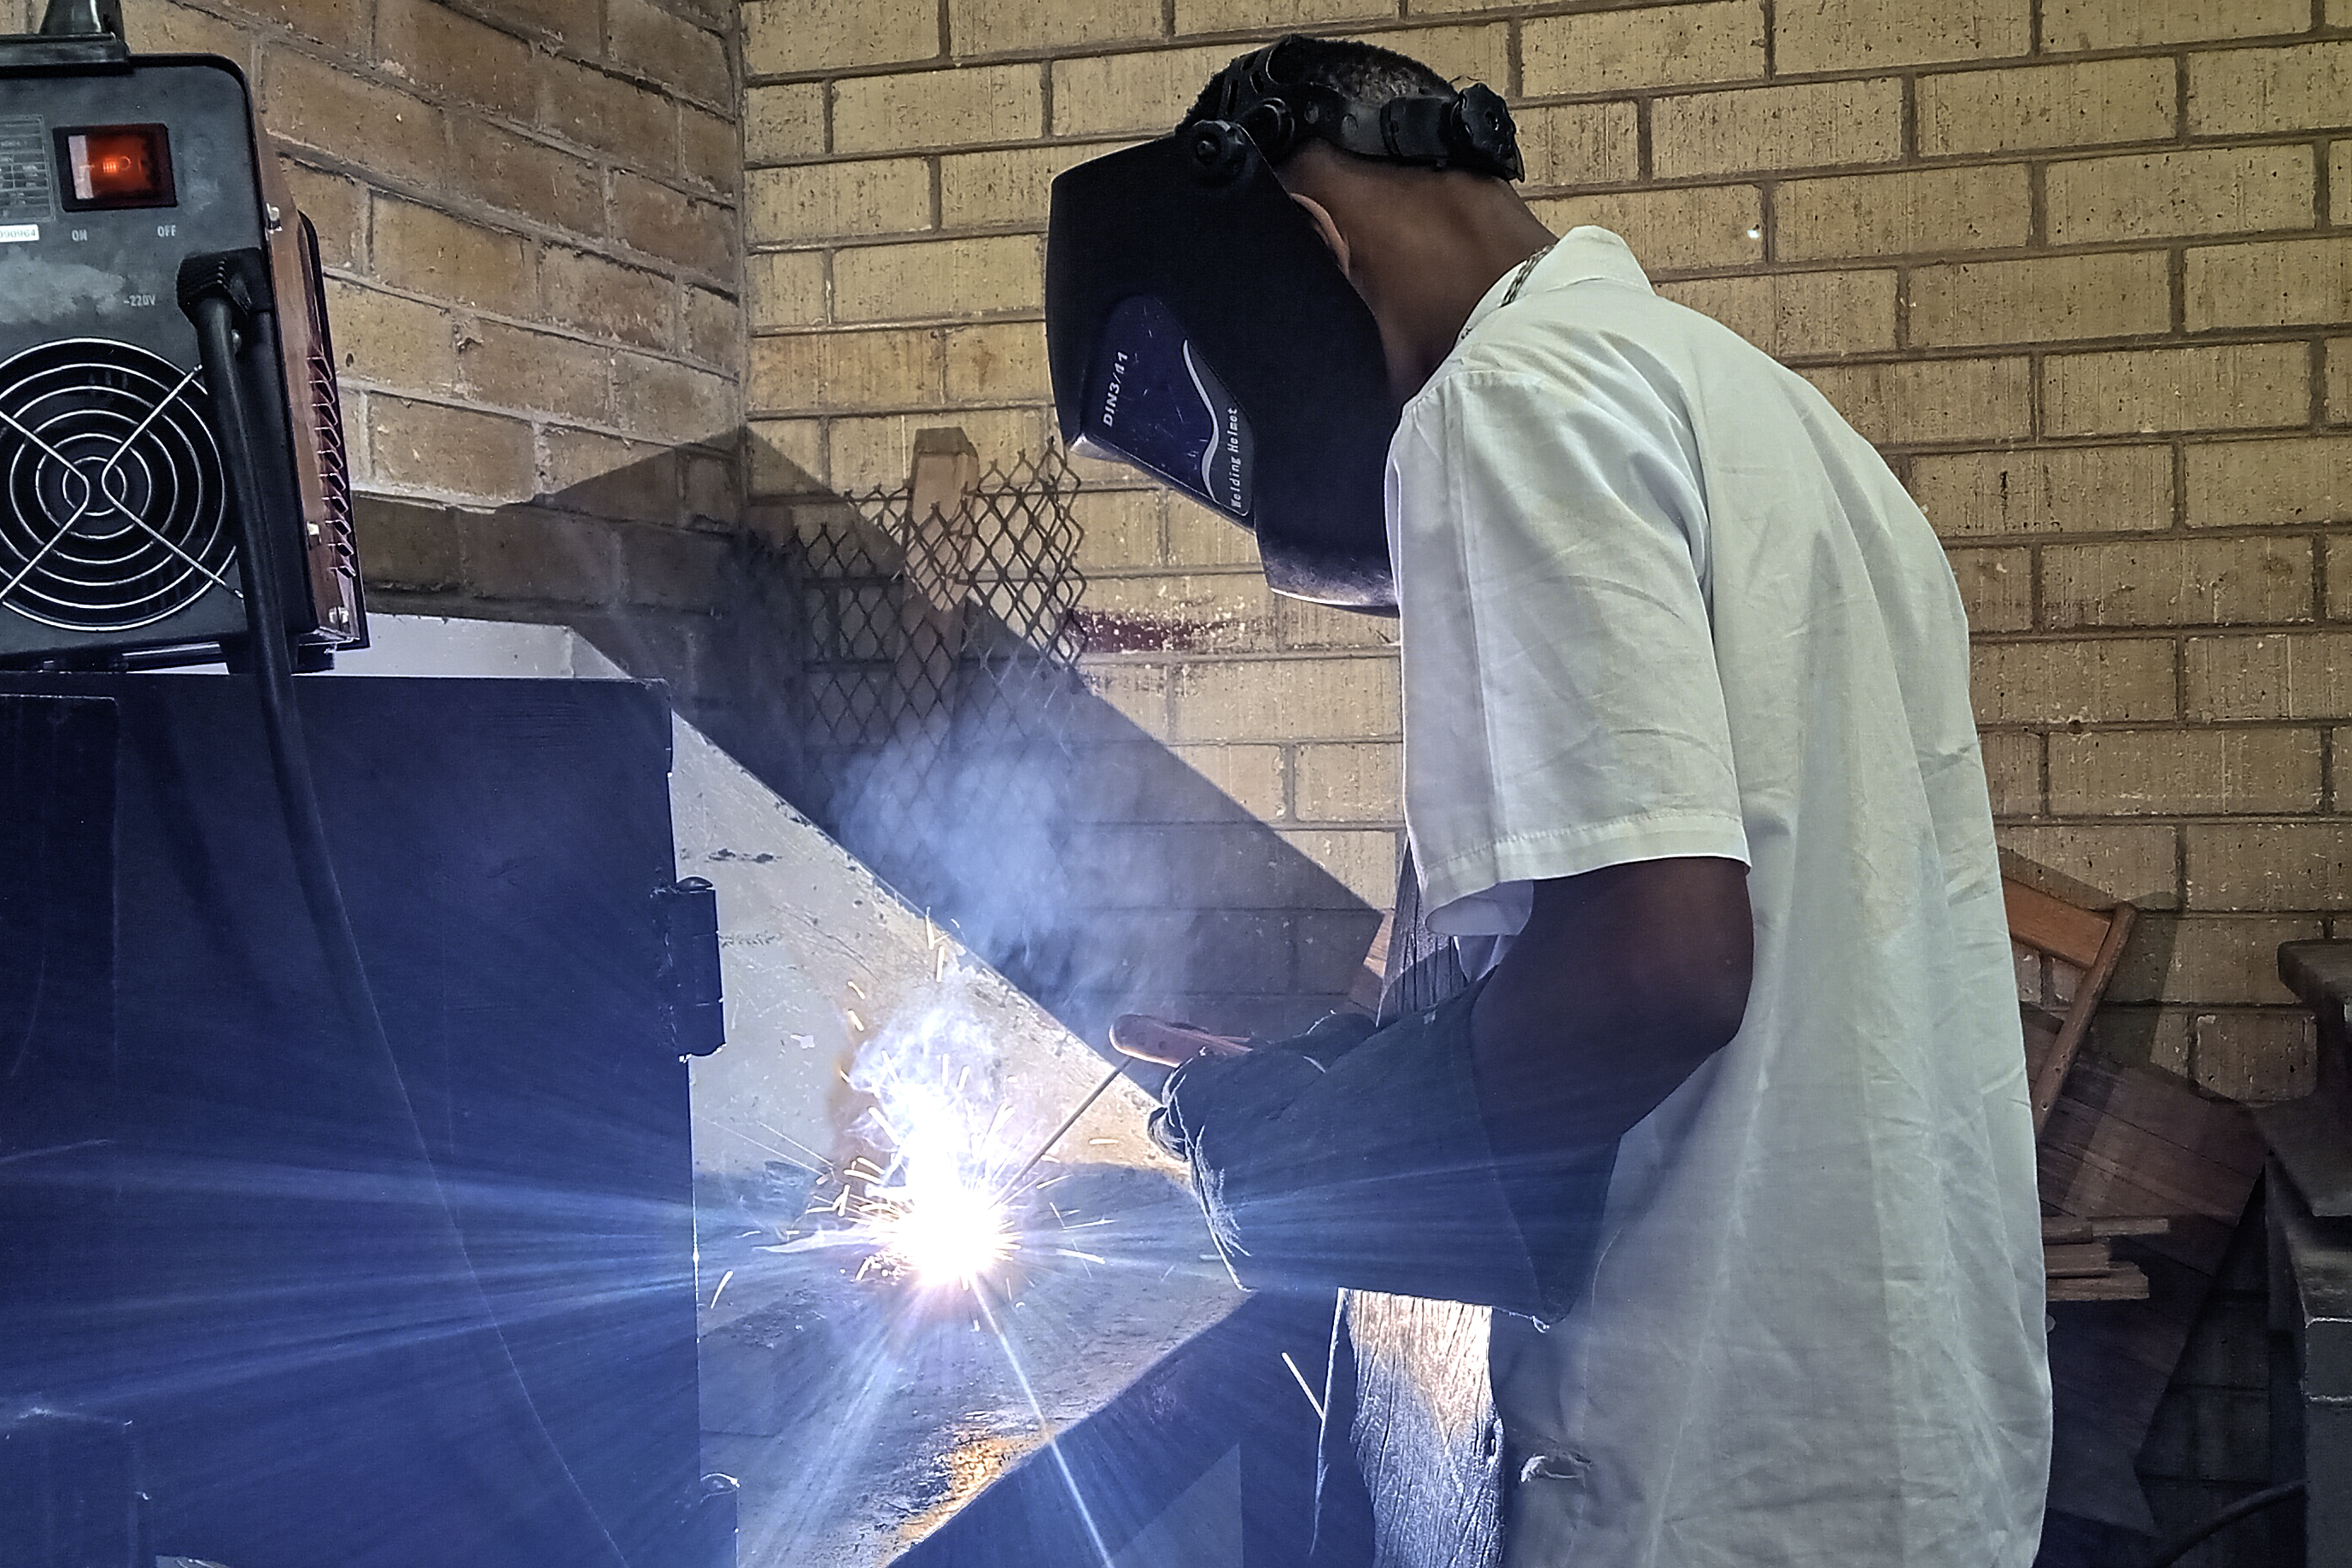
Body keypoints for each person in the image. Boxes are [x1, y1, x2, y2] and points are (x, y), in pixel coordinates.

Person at [1095, 34, 2051, 1568]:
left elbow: (1660, 972)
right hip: (1884, 1434)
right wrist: (1349, 1067)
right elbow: (1727, 918)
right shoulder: (1759, 412)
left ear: (1314, 251)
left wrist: (1304, 1160)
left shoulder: (1502, 403)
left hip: (1688, 1459)